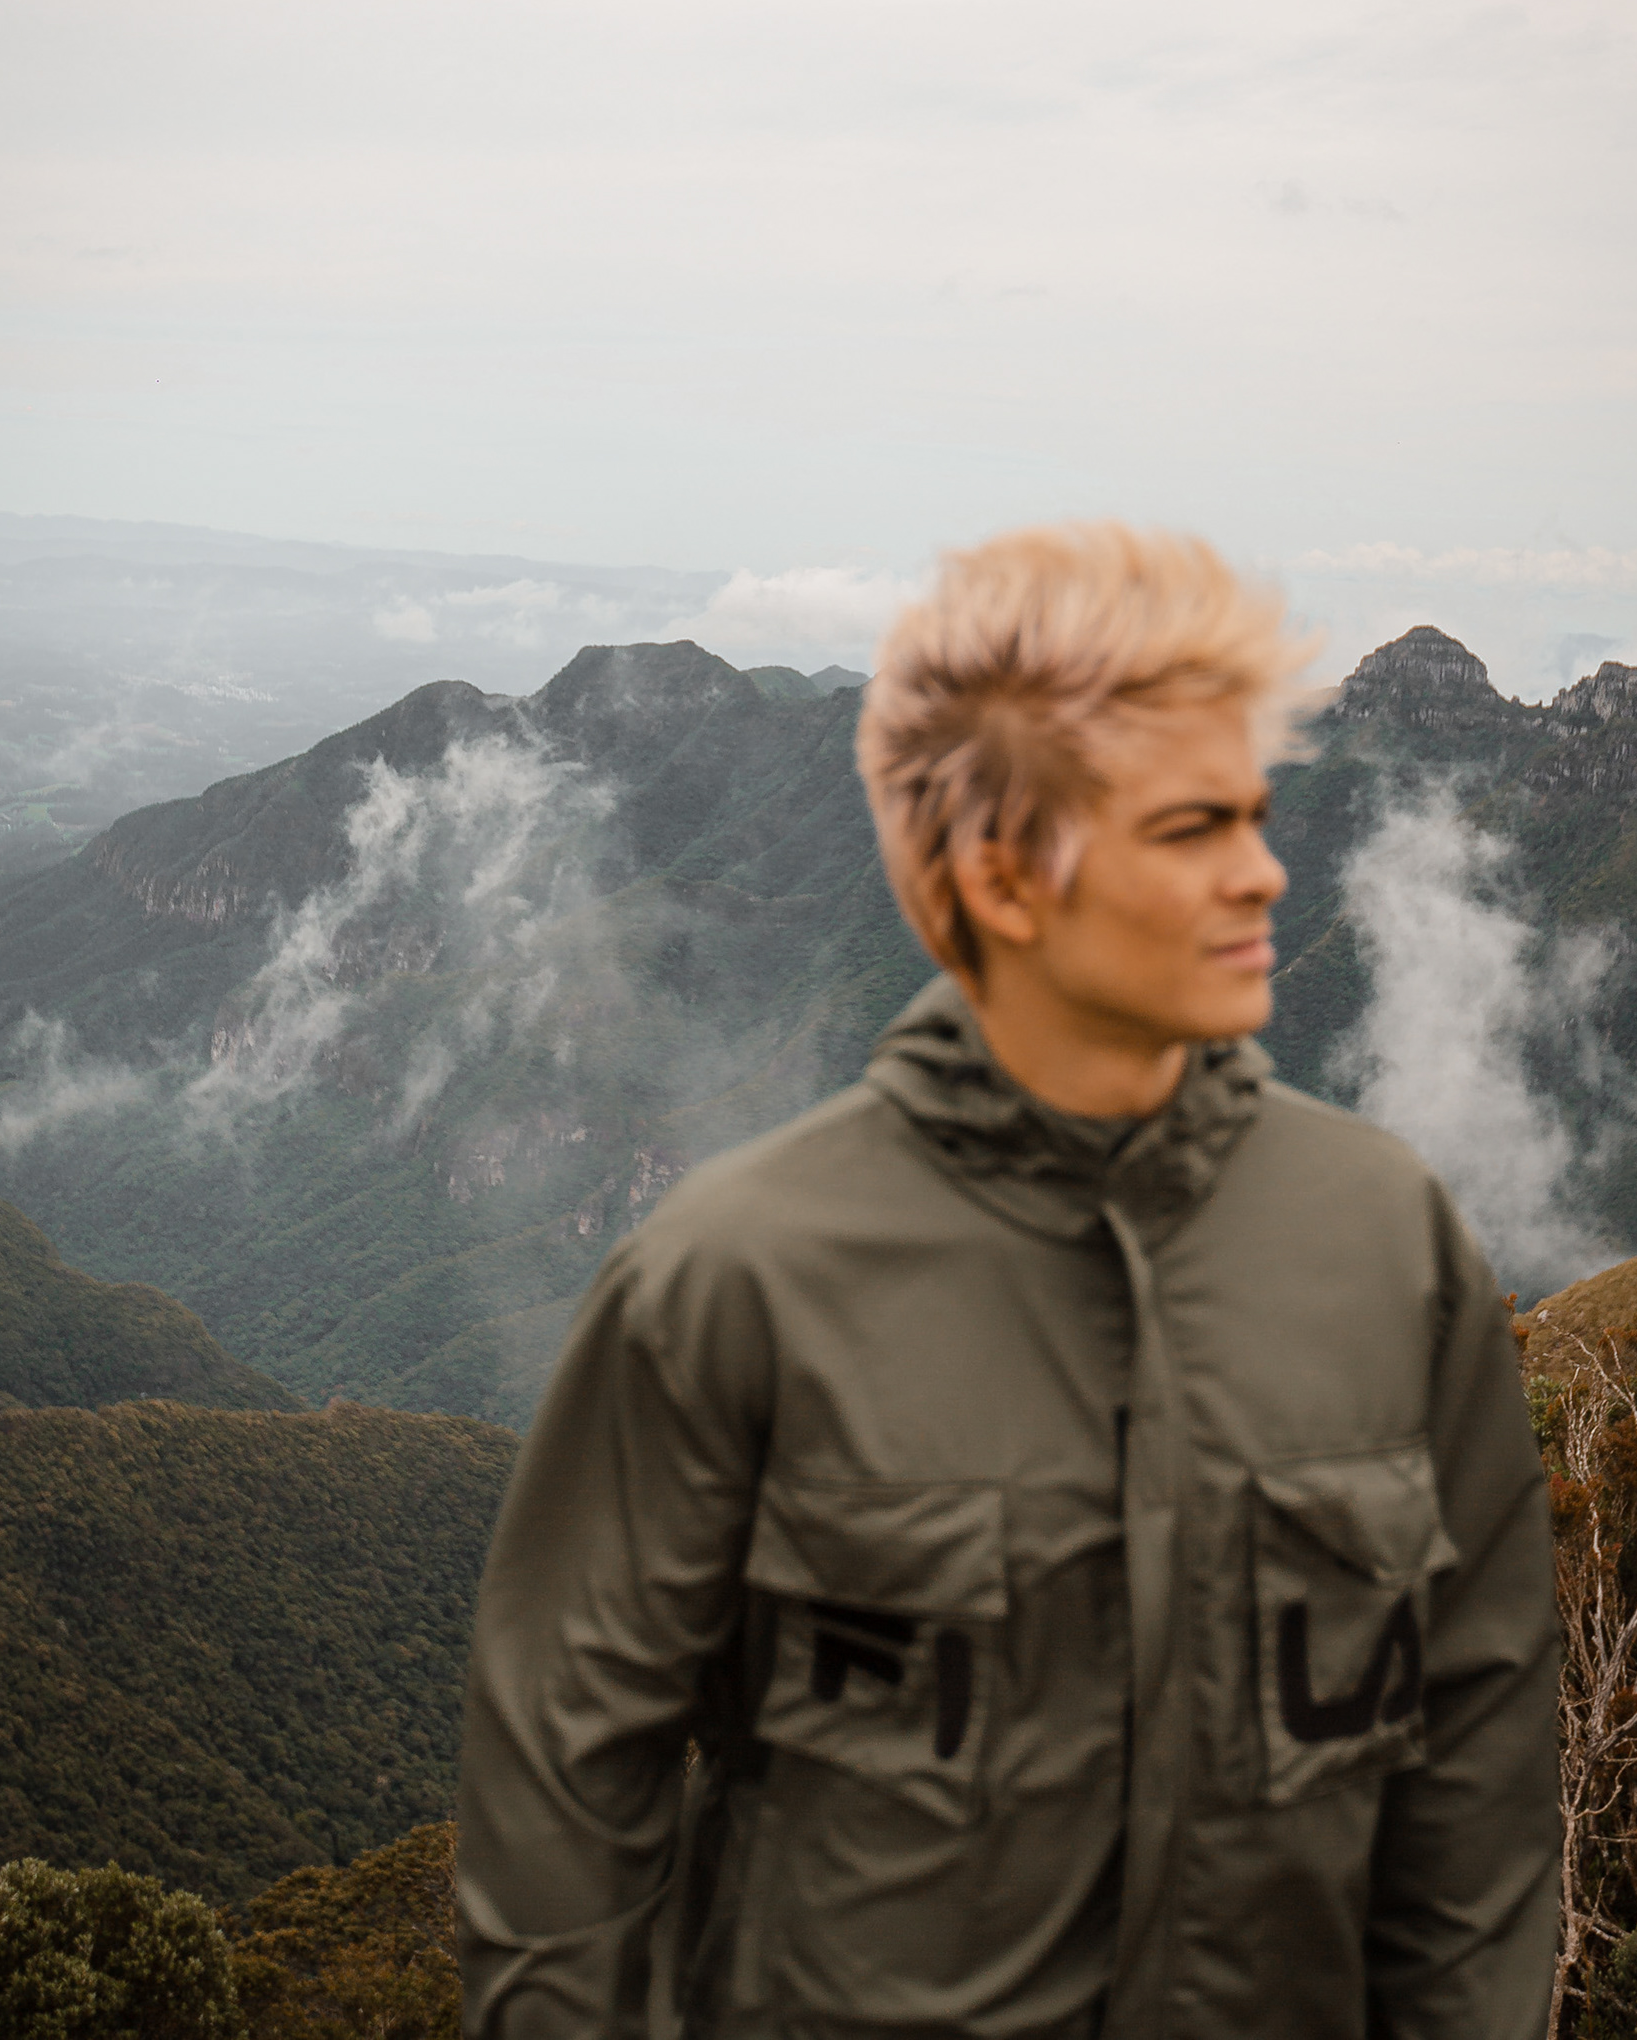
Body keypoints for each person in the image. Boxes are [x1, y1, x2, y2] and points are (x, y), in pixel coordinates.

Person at [457, 524, 1559, 2040]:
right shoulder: (734, 1283)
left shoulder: (1390, 1244)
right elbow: (564, 1806)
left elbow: (1478, 1786)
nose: (1264, 872)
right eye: (1192, 829)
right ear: (1005, 874)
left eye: (1253, 817)